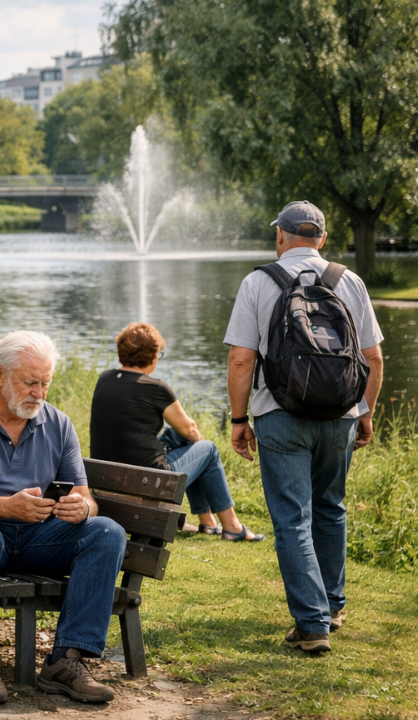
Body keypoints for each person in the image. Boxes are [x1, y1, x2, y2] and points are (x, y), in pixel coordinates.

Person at [0, 331, 124, 705]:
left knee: (107, 532)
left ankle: (67, 661)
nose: (39, 392)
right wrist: (3, 506)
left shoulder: (58, 424)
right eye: (30, 382)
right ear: (0, 374)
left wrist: (83, 508)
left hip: (33, 538)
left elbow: (85, 497)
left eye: (45, 382)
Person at [224, 201, 384, 654]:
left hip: (280, 414)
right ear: (322, 239)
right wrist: (365, 412)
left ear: (280, 235)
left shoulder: (259, 281)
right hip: (341, 417)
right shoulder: (349, 281)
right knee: (331, 508)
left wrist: (239, 419)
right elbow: (373, 359)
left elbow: (241, 358)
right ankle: (332, 606)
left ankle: (313, 625)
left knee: (293, 518)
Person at [90, 322, 263, 541]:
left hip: (106, 486)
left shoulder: (104, 379)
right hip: (148, 487)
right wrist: (195, 443)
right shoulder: (155, 388)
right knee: (207, 449)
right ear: (152, 356)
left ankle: (208, 522)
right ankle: (232, 526)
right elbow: (190, 429)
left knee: (176, 438)